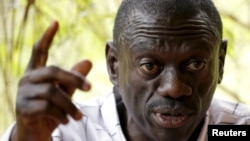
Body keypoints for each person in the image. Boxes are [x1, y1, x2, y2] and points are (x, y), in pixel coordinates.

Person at [1, 0, 250, 141]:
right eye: (149, 66)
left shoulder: (238, 129)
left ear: (220, 62)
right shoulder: (63, 133)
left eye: (196, 64)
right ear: (113, 65)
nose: (174, 88)